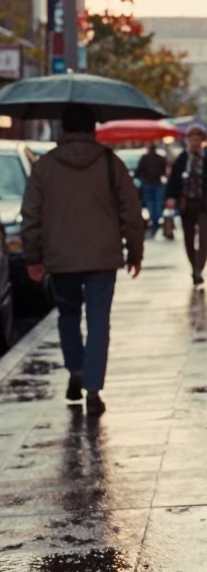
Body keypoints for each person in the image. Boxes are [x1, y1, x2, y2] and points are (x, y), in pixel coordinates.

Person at [19, 104, 145, 416]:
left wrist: (32, 256)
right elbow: (131, 212)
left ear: (62, 129)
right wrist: (135, 251)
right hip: (103, 256)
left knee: (68, 316)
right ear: (93, 129)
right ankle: (92, 388)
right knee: (99, 320)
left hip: (61, 257)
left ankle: (76, 370)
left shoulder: (45, 167)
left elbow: (31, 215)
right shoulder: (109, 163)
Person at [165, 126, 207, 286]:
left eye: (198, 140)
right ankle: (194, 266)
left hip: (205, 204)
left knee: (204, 238)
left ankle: (199, 269)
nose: (195, 143)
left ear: (202, 141)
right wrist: (171, 197)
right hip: (187, 204)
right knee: (189, 238)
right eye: (192, 140)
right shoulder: (182, 159)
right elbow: (174, 180)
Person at [134, 143, 168, 238]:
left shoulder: (144, 158)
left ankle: (155, 222)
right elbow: (164, 171)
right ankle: (155, 221)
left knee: (151, 203)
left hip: (148, 183)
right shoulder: (160, 158)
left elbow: (138, 171)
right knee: (157, 203)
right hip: (157, 183)